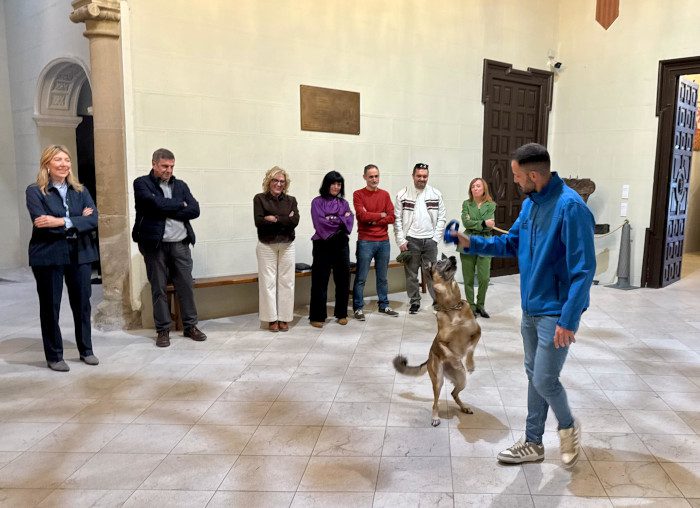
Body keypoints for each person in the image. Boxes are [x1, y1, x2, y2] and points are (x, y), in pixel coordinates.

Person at [454, 143, 595, 469]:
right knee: (534, 376)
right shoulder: (531, 204)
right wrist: (470, 242)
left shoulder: (571, 208)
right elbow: (512, 242)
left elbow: (583, 270)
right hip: (530, 309)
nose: (515, 181)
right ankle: (533, 443)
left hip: (555, 313)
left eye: (517, 176)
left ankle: (568, 426)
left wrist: (568, 320)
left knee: (545, 379)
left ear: (533, 175)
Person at [26, 145, 99, 372]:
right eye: (58, 159)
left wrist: (60, 221)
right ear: (47, 164)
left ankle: (86, 350)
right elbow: (41, 223)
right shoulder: (35, 191)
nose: (64, 164)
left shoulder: (80, 190)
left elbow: (94, 220)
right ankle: (54, 356)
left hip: (80, 253)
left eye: (67, 160)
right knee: (51, 306)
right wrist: (78, 220)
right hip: (49, 254)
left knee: (82, 304)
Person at [132, 148, 207, 347]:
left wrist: (166, 208)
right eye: (165, 166)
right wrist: (179, 205)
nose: (169, 170)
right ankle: (163, 330)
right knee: (158, 288)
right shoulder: (142, 183)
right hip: (155, 245)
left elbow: (195, 209)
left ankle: (190, 326)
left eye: (172, 166)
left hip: (180, 244)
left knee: (186, 286)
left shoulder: (181, 185)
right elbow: (151, 204)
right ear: (154, 164)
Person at [394, 162, 446, 314]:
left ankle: (437, 303)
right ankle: (415, 301)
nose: (422, 179)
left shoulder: (436, 194)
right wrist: (401, 241)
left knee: (432, 274)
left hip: (430, 241)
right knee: (411, 275)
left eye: (425, 176)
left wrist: (435, 239)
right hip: (411, 241)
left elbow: (442, 218)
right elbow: (397, 219)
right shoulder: (402, 194)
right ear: (413, 176)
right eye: (419, 176)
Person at [253, 166, 299, 332]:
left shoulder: (291, 200)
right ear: (269, 181)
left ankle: (284, 318)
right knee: (268, 282)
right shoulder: (259, 199)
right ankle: (271, 319)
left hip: (287, 244)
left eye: (282, 181)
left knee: (287, 282)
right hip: (267, 244)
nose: (279, 184)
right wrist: (285, 219)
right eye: (275, 180)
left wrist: (274, 219)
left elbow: (295, 221)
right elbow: (259, 222)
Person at [352, 164, 398, 320]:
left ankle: (384, 305)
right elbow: (362, 216)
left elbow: (392, 217)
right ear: (365, 177)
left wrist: (373, 219)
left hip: (384, 242)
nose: (374, 179)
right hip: (365, 241)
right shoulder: (358, 194)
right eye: (371, 176)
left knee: (383, 278)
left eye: (376, 176)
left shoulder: (385, 194)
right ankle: (358, 308)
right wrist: (381, 215)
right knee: (361, 278)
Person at [309, 171, 354, 328]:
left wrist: (332, 218)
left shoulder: (344, 203)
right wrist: (340, 219)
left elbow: (349, 220)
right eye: (333, 183)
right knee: (319, 281)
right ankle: (317, 316)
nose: (336, 187)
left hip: (341, 244)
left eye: (339, 184)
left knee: (343, 280)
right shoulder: (317, 202)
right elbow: (320, 222)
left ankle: (341, 314)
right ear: (326, 184)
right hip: (322, 244)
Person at [460, 177, 496, 318]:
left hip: (485, 243)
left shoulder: (491, 205)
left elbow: (490, 226)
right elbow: (466, 223)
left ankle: (480, 305)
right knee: (468, 278)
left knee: (484, 278)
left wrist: (477, 223)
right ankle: (471, 306)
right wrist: (483, 223)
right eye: (473, 186)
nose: (475, 188)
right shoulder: (466, 204)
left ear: (484, 188)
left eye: (478, 186)